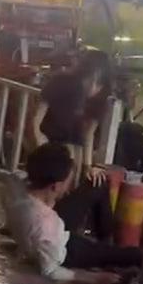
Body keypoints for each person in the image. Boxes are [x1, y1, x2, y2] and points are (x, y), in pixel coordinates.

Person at [3, 143, 141, 281]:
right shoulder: (47, 226)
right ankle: (109, 252)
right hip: (67, 250)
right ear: (55, 186)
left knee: (99, 183)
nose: (68, 189)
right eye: (68, 183)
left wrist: (90, 173)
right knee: (134, 255)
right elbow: (51, 271)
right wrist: (95, 278)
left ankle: (107, 242)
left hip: (43, 221)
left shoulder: (13, 182)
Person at [34, 47, 112, 185]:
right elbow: (35, 119)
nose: (92, 86)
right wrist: (41, 143)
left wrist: (88, 166)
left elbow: (89, 133)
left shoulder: (100, 99)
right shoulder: (61, 82)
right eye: (89, 78)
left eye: (98, 83)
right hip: (50, 144)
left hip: (73, 149)